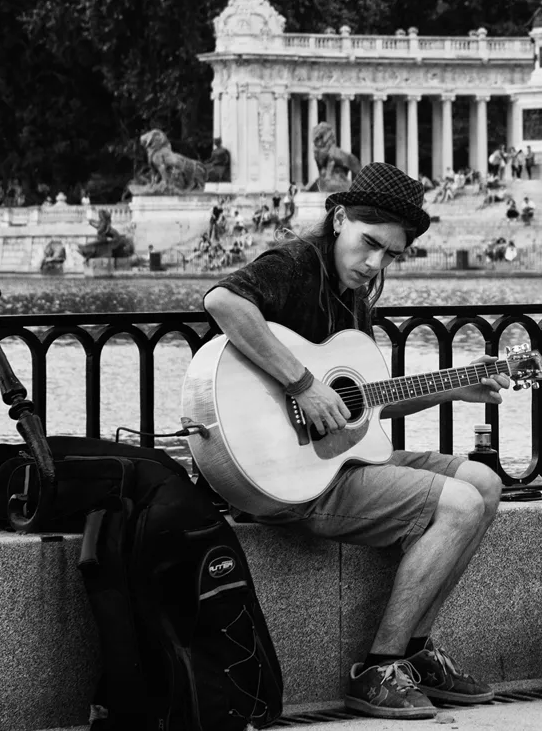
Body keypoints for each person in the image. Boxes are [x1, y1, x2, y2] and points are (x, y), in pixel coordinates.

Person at [201, 163, 508, 719]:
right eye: (369, 245)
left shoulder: (352, 300)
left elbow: (365, 400)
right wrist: (301, 383)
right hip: (290, 479)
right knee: (458, 503)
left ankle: (417, 652)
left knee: (483, 482)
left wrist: (456, 387)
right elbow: (223, 303)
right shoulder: (296, 262)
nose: (374, 264)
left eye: (389, 255)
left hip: (340, 462)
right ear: (339, 218)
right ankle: (378, 669)